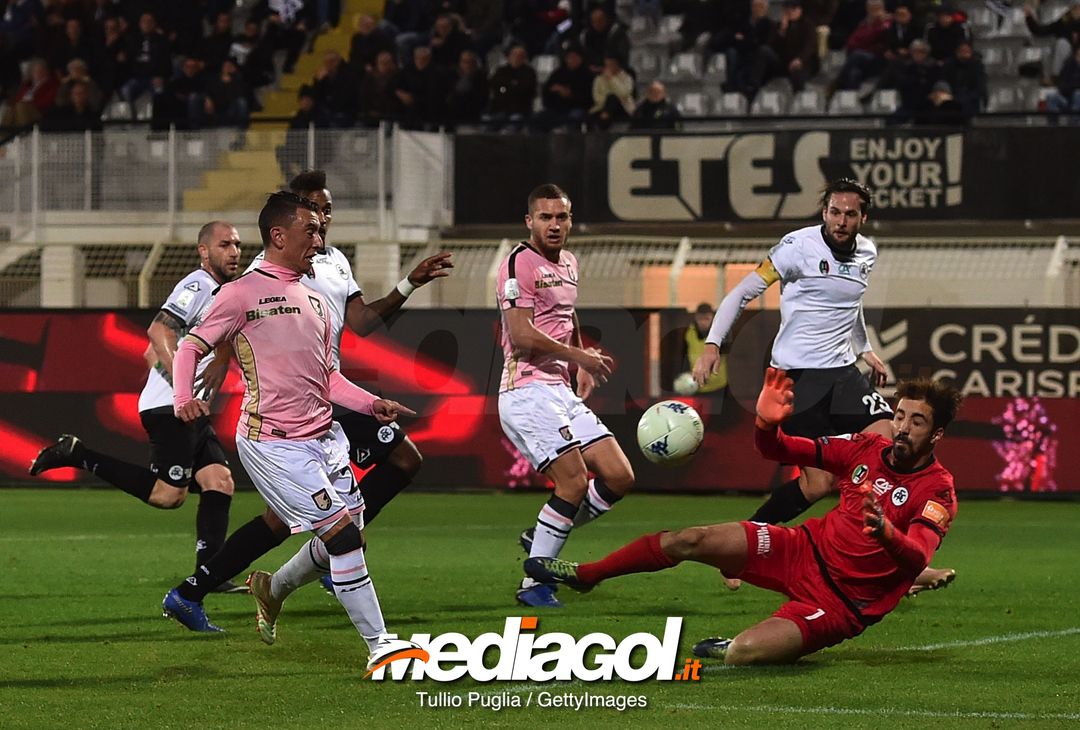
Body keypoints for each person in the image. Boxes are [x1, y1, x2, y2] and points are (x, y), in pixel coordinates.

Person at [160, 172, 453, 636]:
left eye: (323, 222)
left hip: (325, 419)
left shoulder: (321, 287)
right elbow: (201, 337)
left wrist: (372, 401)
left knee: (302, 522)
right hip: (276, 430)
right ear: (280, 232)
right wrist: (188, 391)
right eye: (312, 224)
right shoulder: (248, 285)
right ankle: (379, 639)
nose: (321, 233)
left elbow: (337, 360)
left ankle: (262, 588)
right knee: (345, 527)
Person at [526, 370, 961, 665]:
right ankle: (588, 573)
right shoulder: (865, 450)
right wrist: (766, 425)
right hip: (799, 549)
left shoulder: (937, 489)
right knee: (690, 538)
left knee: (744, 653)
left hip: (838, 604)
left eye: (916, 422)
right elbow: (778, 450)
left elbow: (916, 555)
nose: (902, 427)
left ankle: (731, 646)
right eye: (900, 415)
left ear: (936, 434)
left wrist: (885, 533)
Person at [692, 178, 954, 594]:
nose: (841, 220)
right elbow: (741, 293)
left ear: (863, 218)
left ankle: (897, 559)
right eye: (835, 211)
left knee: (889, 445)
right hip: (796, 378)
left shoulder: (867, 253)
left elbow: (851, 305)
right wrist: (712, 345)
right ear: (824, 212)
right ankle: (742, 544)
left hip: (843, 374)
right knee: (817, 485)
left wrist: (865, 350)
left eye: (851, 214)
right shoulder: (796, 248)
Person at [30, 222, 245, 591]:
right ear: (204, 251)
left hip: (191, 409)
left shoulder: (223, 293)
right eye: (224, 244)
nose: (234, 252)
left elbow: (153, 353)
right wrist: (182, 390)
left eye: (238, 245)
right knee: (167, 496)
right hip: (171, 408)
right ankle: (78, 454)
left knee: (219, 481)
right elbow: (158, 333)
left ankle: (210, 574)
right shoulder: (197, 286)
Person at [497, 184, 635, 608]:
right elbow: (520, 334)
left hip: (559, 389)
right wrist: (580, 355)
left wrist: (577, 366)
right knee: (573, 481)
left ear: (570, 220)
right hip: (525, 391)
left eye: (561, 217)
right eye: (545, 217)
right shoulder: (518, 263)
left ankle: (541, 537)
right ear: (529, 222)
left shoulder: (571, 262)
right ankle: (534, 584)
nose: (554, 225)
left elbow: (567, 313)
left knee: (619, 476)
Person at [679, 303, 725, 394]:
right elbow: (686, 355)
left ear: (712, 318)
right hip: (696, 385)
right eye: (700, 319)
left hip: (718, 385)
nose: (703, 322)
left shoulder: (721, 333)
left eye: (706, 319)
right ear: (696, 318)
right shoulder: (689, 332)